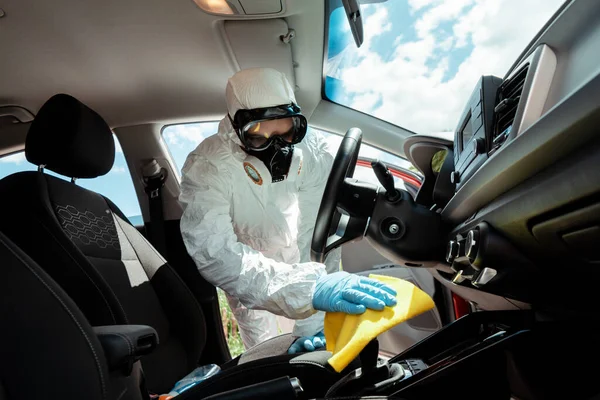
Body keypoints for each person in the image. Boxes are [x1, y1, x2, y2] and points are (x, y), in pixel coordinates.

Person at [179, 67, 397, 354]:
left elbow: (318, 234)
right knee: (268, 357)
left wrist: (315, 314)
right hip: (249, 281)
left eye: (286, 131)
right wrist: (308, 290)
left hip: (303, 262)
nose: (277, 146)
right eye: (259, 135)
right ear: (235, 127)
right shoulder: (208, 165)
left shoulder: (313, 152)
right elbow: (216, 252)